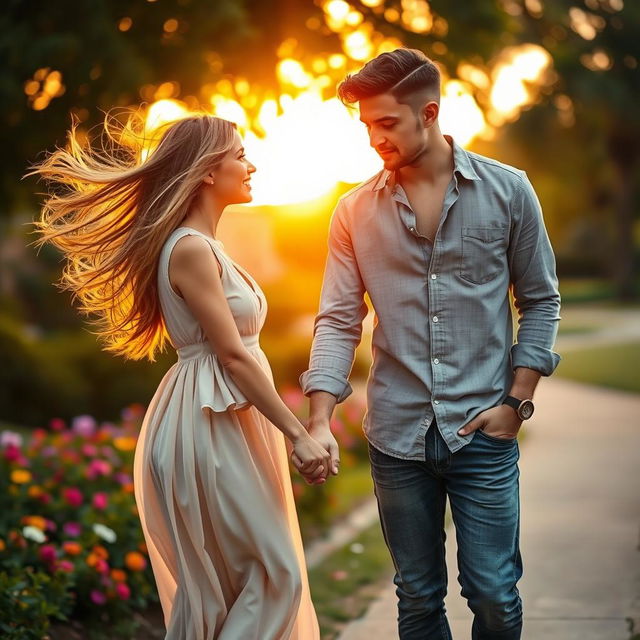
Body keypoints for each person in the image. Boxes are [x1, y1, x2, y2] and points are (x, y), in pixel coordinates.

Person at [27, 111, 327, 639]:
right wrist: (299, 433)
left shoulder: (205, 246)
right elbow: (232, 356)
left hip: (226, 417)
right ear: (208, 171)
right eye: (239, 155)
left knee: (248, 582)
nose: (251, 165)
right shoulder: (190, 249)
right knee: (274, 574)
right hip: (210, 423)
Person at [299, 48, 562, 639]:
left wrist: (516, 404)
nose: (373, 139)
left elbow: (541, 300)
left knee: (493, 593)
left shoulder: (509, 191)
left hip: (482, 432)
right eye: (366, 125)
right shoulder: (351, 212)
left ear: (430, 113)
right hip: (397, 437)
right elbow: (338, 319)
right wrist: (320, 419)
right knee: (417, 597)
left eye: (386, 123)